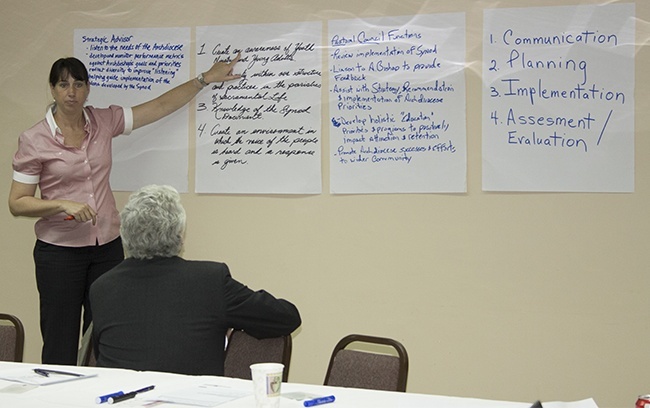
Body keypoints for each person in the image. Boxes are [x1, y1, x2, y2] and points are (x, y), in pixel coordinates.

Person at [8, 54, 241, 365]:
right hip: (59, 253)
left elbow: (157, 108)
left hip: (106, 248)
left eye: (78, 84)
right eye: (63, 85)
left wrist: (203, 80)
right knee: (60, 342)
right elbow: (18, 202)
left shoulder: (103, 121)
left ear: (88, 89)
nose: (71, 92)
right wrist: (60, 204)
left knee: (106, 336)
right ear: (52, 89)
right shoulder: (34, 140)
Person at [88, 184, 301, 375]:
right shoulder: (209, 281)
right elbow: (286, 317)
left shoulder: (102, 287)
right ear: (179, 234)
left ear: (125, 234)